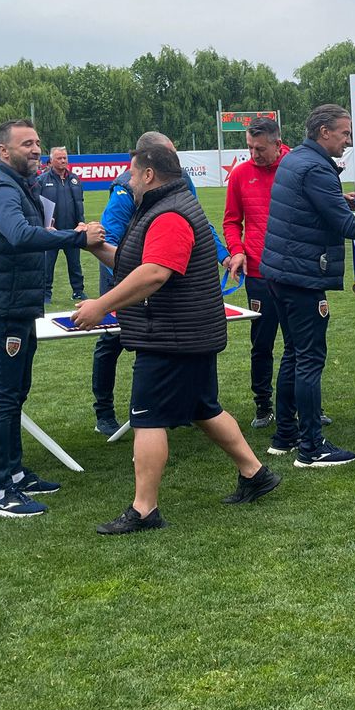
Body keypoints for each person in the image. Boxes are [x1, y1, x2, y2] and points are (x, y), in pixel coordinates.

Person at [72, 140, 281, 534]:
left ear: (149, 174)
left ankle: (144, 509)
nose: (128, 181)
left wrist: (101, 305)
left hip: (171, 335)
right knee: (204, 408)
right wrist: (97, 246)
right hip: (186, 332)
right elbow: (134, 265)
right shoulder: (160, 208)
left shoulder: (168, 214)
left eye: (132, 173)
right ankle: (255, 474)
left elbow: (154, 275)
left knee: (147, 418)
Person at [0, 119, 104, 518]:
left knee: (15, 395)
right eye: (27, 144)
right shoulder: (2, 188)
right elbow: (20, 235)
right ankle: (1, 493)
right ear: (3, 151)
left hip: (17, 307)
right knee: (3, 398)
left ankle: (15, 474)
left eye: (38, 143)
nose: (36, 149)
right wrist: (78, 238)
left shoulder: (19, 185)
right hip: (1, 310)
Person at [261, 104, 355, 467]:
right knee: (309, 359)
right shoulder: (316, 167)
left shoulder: (296, 159)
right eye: (344, 133)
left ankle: (286, 436)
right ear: (324, 131)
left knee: (295, 354)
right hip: (302, 275)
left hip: (280, 271)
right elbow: (347, 227)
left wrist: (335, 201)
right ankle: (312, 447)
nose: (348, 140)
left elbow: (303, 205)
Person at [89, 132, 231, 436]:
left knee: (153, 418)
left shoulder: (172, 200)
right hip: (142, 284)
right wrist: (95, 248)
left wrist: (223, 255)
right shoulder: (127, 190)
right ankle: (104, 410)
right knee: (112, 340)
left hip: (167, 307)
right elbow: (112, 240)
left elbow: (161, 265)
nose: (175, 160)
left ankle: (253, 471)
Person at [222, 118, 291, 429]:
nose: (254, 154)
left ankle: (303, 405)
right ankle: (263, 405)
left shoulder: (296, 168)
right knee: (262, 343)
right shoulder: (240, 174)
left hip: (295, 273)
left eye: (260, 148)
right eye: (249, 147)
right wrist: (236, 250)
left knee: (300, 344)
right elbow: (231, 221)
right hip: (260, 275)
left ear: (278, 143)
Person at [38, 146, 86, 304]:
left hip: (72, 229)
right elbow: (36, 205)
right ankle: (45, 294)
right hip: (51, 231)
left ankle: (78, 291)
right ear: (51, 161)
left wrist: (81, 221)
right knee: (47, 264)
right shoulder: (42, 180)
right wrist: (42, 225)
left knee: (75, 263)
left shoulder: (75, 179)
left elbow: (79, 203)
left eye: (65, 158)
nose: (63, 161)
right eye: (59, 158)